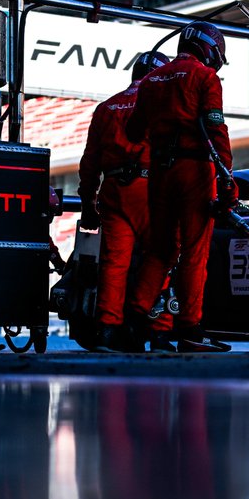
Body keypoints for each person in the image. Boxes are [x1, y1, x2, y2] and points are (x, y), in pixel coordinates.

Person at [123, 21, 234, 353]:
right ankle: (190, 332)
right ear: (209, 47)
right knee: (194, 252)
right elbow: (217, 131)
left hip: (160, 171)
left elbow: (133, 132)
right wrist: (228, 183)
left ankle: (133, 323)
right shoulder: (205, 77)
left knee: (160, 251)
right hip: (193, 170)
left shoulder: (152, 80)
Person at [78, 50, 174, 353]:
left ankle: (107, 331)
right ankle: (156, 331)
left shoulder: (106, 108)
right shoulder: (163, 103)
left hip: (114, 190)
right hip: (153, 190)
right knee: (162, 259)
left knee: (114, 265)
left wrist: (86, 204)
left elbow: (89, 162)